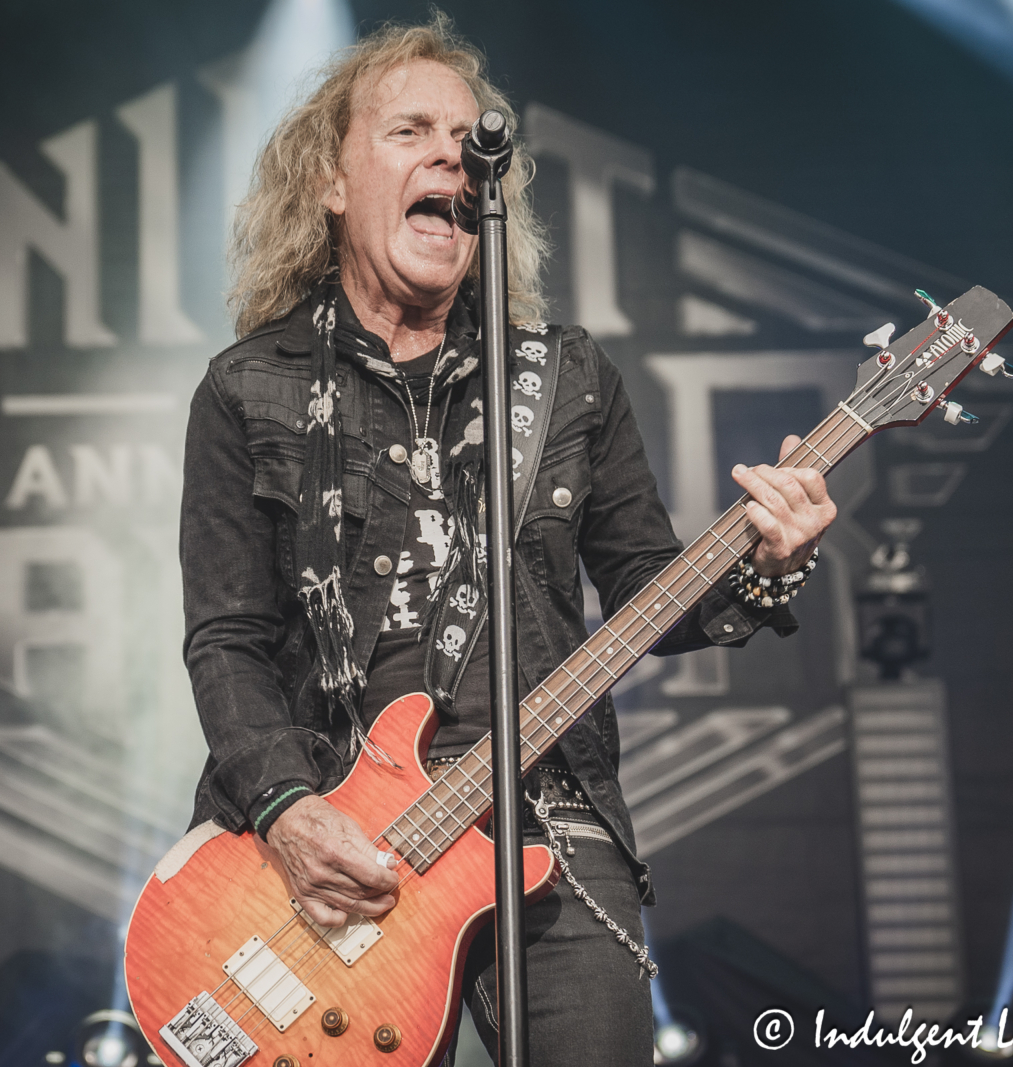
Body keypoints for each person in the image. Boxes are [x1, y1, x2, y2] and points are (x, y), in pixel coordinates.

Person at [179, 15, 837, 1065]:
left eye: (467, 133)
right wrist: (290, 812)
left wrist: (765, 563)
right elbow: (225, 638)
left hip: (549, 824)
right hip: (337, 840)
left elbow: (647, 595)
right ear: (331, 183)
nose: (450, 148)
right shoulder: (246, 388)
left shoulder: (566, 377)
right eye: (408, 131)